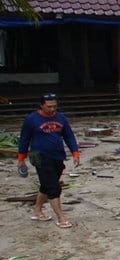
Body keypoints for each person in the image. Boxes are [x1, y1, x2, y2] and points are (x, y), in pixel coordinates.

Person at [17, 93, 80, 228]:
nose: (52, 109)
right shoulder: (31, 119)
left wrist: (75, 152)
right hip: (39, 156)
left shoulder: (61, 118)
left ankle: (37, 211)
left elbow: (69, 136)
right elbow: (24, 139)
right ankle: (61, 218)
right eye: (49, 106)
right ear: (41, 105)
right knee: (53, 187)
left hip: (57, 156)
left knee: (46, 184)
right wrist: (21, 159)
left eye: (54, 106)